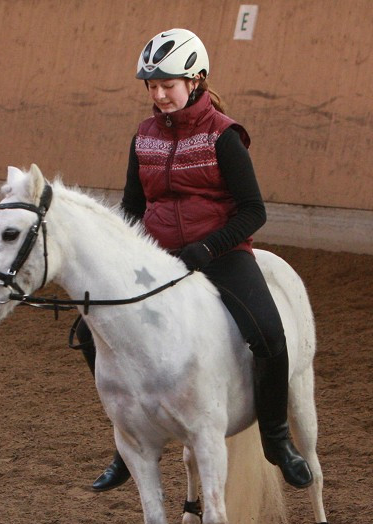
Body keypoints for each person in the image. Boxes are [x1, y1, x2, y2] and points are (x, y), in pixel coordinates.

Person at [75, 28, 313, 492]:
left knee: (269, 333)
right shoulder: (143, 138)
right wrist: (121, 256)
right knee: (89, 329)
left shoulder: (225, 137)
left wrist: (208, 248)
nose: (159, 95)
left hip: (219, 253)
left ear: (197, 80)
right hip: (160, 257)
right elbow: (132, 209)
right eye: (152, 86)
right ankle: (126, 442)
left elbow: (253, 211)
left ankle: (277, 440)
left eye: (168, 84)